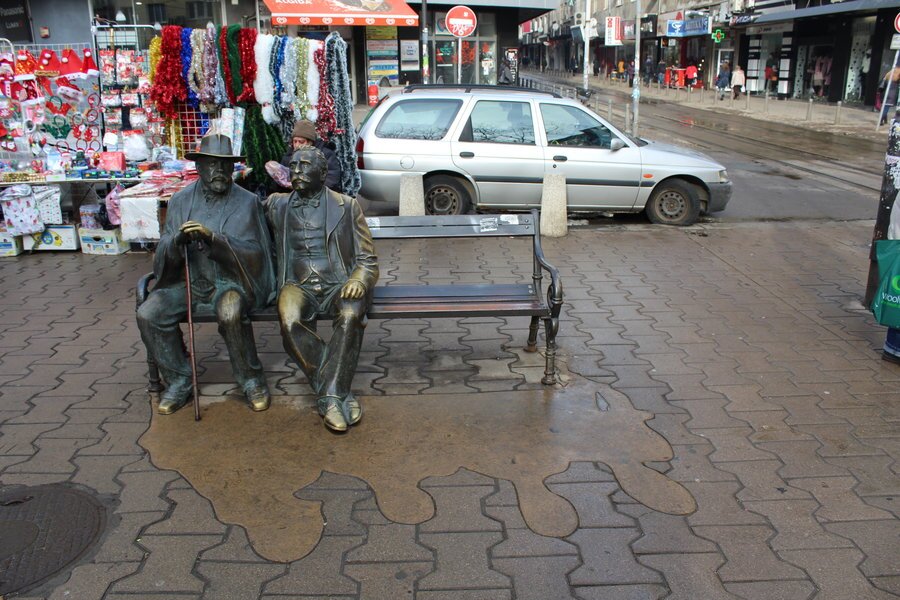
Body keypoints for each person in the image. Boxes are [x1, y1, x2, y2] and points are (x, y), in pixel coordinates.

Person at [137, 134, 276, 415]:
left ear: (233, 168)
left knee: (230, 312)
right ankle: (179, 381)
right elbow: (162, 249)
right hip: (185, 281)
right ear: (198, 167)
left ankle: (251, 379)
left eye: (225, 165)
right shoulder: (180, 201)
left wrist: (215, 239)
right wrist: (177, 241)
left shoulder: (247, 202)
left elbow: (258, 254)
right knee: (149, 313)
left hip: (229, 282)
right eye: (212, 164)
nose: (219, 171)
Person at [267, 147, 379, 432]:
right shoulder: (277, 205)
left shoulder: (347, 206)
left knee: (351, 314)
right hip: (297, 283)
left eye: (305, 166)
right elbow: (241, 212)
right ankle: (338, 391)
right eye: (293, 166)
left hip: (338, 282)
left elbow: (367, 259)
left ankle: (329, 396)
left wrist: (358, 281)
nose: (297, 172)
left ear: (323, 172)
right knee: (289, 320)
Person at [280, 119, 343, 194]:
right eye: (295, 141)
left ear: (310, 142)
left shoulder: (326, 155)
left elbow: (332, 178)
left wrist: (310, 188)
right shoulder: (288, 157)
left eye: (301, 142)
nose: (297, 145)